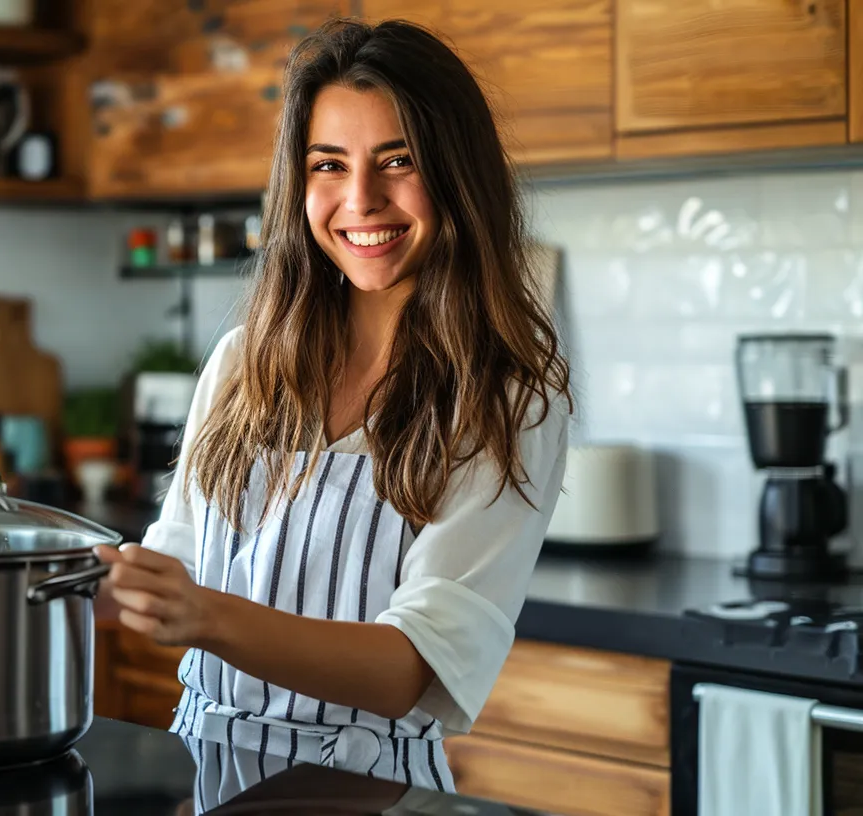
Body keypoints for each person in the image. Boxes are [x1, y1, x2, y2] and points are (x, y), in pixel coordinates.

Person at [95, 16, 573, 794]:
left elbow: (411, 667)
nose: (361, 199)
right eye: (328, 164)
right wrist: (68, 590)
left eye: (399, 160)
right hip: (208, 772)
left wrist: (206, 614)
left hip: (369, 792)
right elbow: (178, 563)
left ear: (457, 174)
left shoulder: (508, 398)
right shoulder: (244, 364)